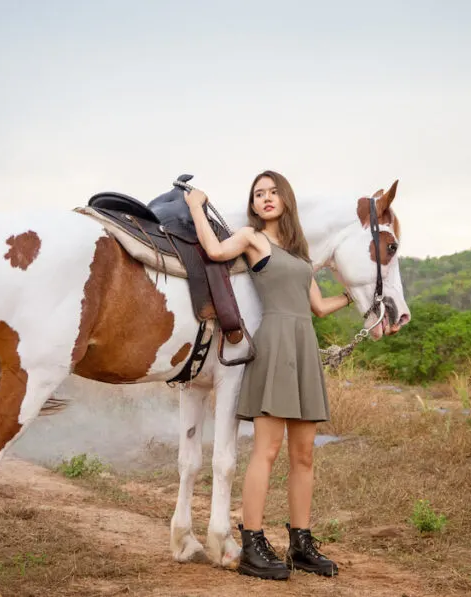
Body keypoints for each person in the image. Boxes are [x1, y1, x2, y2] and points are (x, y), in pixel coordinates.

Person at [184, 170, 352, 581]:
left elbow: (318, 306)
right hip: (275, 343)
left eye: (273, 191)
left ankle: (300, 543)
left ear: (286, 198)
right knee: (267, 450)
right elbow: (213, 249)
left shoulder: (299, 251)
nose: (266, 198)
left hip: (304, 346)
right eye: (259, 194)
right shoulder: (251, 238)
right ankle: (254, 542)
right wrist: (196, 206)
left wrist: (355, 295)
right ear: (253, 204)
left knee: (304, 454)